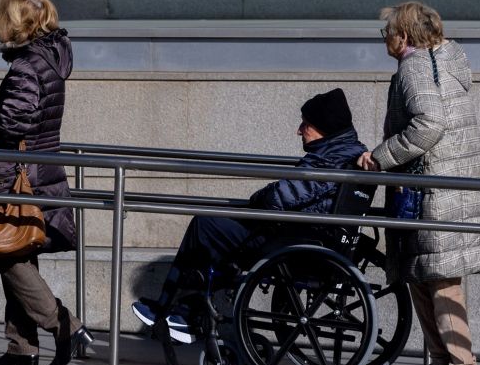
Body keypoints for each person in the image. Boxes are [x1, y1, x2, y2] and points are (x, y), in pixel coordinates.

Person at [132, 88, 367, 346]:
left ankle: (174, 311)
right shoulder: (344, 152)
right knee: (220, 232)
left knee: (204, 224)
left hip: (293, 244)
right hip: (304, 238)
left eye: (306, 125)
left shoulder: (329, 159)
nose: (299, 130)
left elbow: (283, 196)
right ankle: (185, 309)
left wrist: (258, 198)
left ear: (325, 127)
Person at [358, 1, 480, 365]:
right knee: (424, 276)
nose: (384, 38)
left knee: (440, 281)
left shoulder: (415, 67)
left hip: (435, 193)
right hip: (447, 188)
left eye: (387, 32)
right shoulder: (443, 61)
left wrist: (381, 157)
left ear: (402, 35)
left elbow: (429, 124)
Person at [0, 0, 92, 365]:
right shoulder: (50, 59)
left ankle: (65, 326)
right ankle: (21, 347)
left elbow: (17, 123)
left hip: (23, 177)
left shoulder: (26, 66)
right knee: (19, 250)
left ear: (13, 23)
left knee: (6, 252)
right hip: (44, 172)